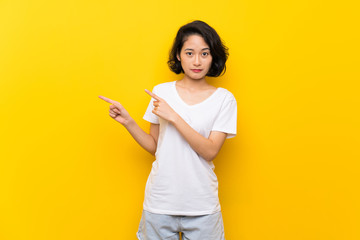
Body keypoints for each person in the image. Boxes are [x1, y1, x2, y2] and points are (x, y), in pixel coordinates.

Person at [99, 20, 237, 240]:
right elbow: (155, 147)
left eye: (205, 54)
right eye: (189, 53)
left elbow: (210, 151)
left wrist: (174, 117)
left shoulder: (224, 99)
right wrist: (128, 122)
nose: (197, 61)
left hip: (201, 206)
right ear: (179, 55)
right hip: (160, 203)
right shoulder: (161, 92)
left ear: (213, 57)